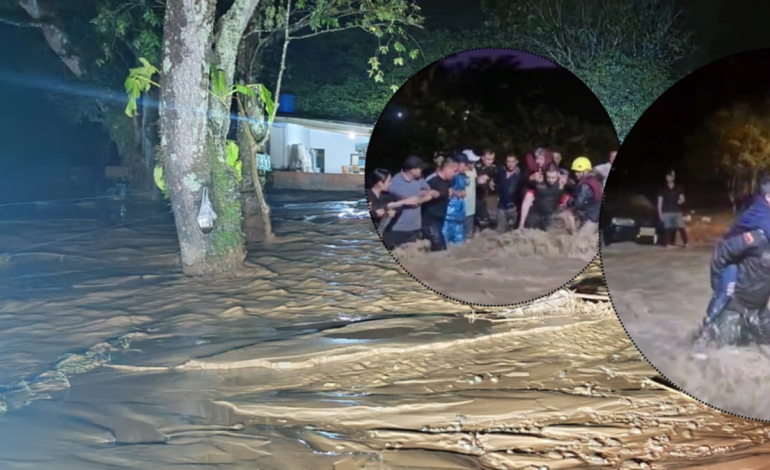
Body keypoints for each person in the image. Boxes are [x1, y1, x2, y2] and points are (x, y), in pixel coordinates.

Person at [703, 179, 770, 325]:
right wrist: (716, 280)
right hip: (731, 258)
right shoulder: (761, 213)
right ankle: (706, 329)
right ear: (768, 197)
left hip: (745, 256)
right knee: (724, 293)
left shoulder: (761, 207)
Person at [695, 227, 770, 348]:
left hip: (759, 310)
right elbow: (722, 251)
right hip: (735, 307)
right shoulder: (757, 239)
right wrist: (718, 286)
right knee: (718, 349)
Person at [386, 156, 436, 249]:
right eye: (419, 168)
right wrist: (424, 196)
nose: (421, 170)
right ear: (412, 170)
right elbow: (411, 200)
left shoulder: (419, 179)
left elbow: (429, 190)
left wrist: (423, 196)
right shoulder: (396, 182)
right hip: (399, 229)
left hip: (415, 227)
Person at [366, 168, 420, 234]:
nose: (390, 183)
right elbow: (377, 209)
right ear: (380, 183)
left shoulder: (387, 195)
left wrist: (395, 210)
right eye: (389, 181)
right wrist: (402, 202)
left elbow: (397, 203)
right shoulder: (368, 195)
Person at [422, 157, 458, 252]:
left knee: (435, 249)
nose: (455, 174)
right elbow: (420, 192)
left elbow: (448, 190)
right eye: (454, 171)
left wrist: (452, 191)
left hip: (440, 218)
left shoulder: (449, 181)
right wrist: (431, 194)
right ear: (447, 169)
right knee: (441, 249)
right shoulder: (431, 180)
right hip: (429, 220)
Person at [521, 163, 567, 231]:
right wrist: (530, 177)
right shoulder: (539, 180)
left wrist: (566, 177)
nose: (550, 180)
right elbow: (521, 182)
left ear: (558, 174)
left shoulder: (562, 182)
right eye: (548, 177)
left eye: (553, 177)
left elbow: (575, 185)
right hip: (535, 215)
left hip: (550, 217)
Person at [564, 156, 602, 236]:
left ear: (585, 171)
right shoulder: (595, 180)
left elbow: (578, 203)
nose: (576, 174)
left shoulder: (585, 185)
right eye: (575, 171)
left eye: (578, 171)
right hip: (593, 216)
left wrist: (568, 203)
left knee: (579, 242)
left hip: (591, 219)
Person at [441, 153, 470, 245]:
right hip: (449, 215)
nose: (466, 167)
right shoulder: (450, 176)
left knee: (460, 244)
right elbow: (443, 188)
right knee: (445, 242)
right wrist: (457, 193)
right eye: (465, 165)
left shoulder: (462, 175)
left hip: (459, 215)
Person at [657, 169, 688, 248]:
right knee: (668, 228)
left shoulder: (678, 188)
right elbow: (660, 203)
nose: (669, 178)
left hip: (677, 211)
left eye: (670, 176)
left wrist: (680, 201)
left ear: (673, 178)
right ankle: (668, 244)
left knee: (681, 227)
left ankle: (686, 243)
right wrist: (660, 214)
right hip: (666, 211)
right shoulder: (662, 189)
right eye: (667, 176)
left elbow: (682, 198)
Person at [494, 153, 524, 233]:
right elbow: (494, 182)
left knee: (513, 232)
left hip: (513, 208)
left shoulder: (520, 176)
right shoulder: (501, 172)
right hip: (501, 207)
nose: (510, 164)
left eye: (512, 162)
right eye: (508, 162)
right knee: (500, 232)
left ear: (516, 162)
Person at [474, 148, 498, 231]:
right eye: (488, 159)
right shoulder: (476, 167)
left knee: (485, 221)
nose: (490, 161)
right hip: (473, 198)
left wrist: (492, 183)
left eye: (492, 159)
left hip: (484, 198)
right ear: (482, 158)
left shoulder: (494, 168)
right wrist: (477, 181)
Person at [462, 149, 481, 238]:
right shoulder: (458, 173)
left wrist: (480, 181)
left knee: (469, 236)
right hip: (460, 209)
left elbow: (476, 181)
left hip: (471, 208)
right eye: (471, 161)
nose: (473, 164)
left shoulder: (473, 170)